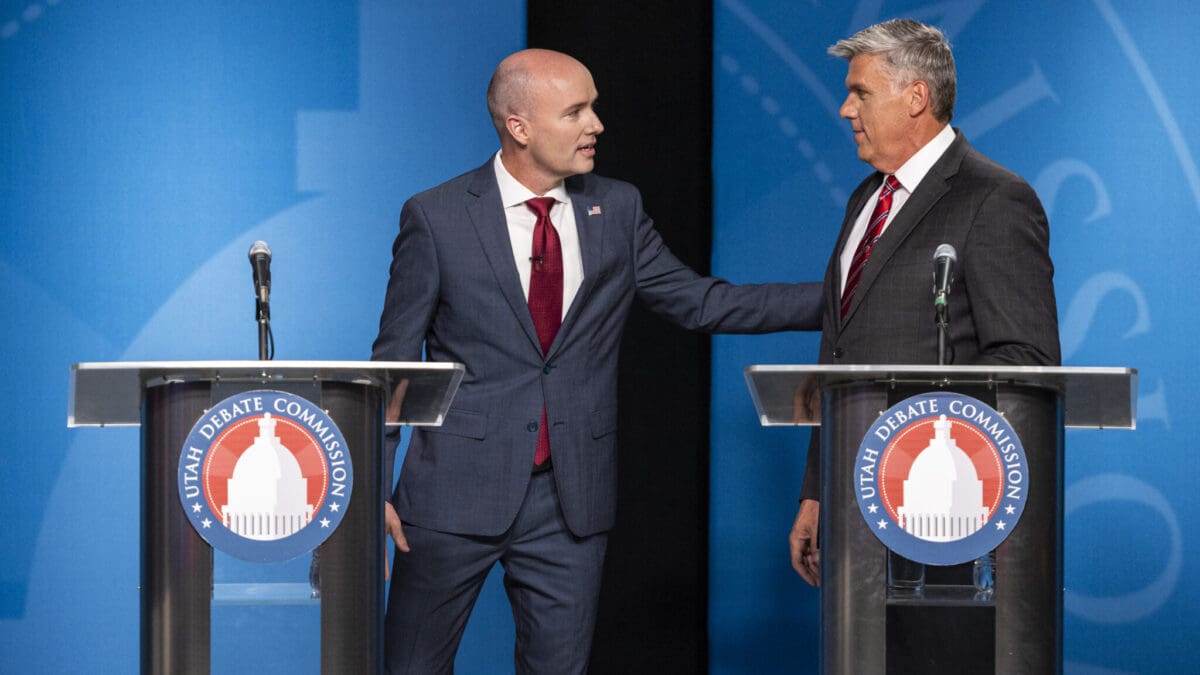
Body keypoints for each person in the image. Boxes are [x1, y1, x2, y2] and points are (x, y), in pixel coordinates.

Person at [371, 48, 822, 673]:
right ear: (519, 125)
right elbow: (396, 362)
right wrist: (371, 486)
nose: (597, 125)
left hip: (569, 504)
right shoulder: (437, 217)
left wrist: (845, 295)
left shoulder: (618, 209)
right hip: (449, 495)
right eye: (576, 111)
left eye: (595, 107)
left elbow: (701, 303)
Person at [787, 19, 1061, 586]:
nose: (845, 109)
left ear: (916, 98)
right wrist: (817, 491)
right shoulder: (867, 198)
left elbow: (1026, 360)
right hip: (852, 503)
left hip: (945, 505)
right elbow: (837, 352)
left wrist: (919, 426)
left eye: (860, 92)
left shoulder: (994, 198)